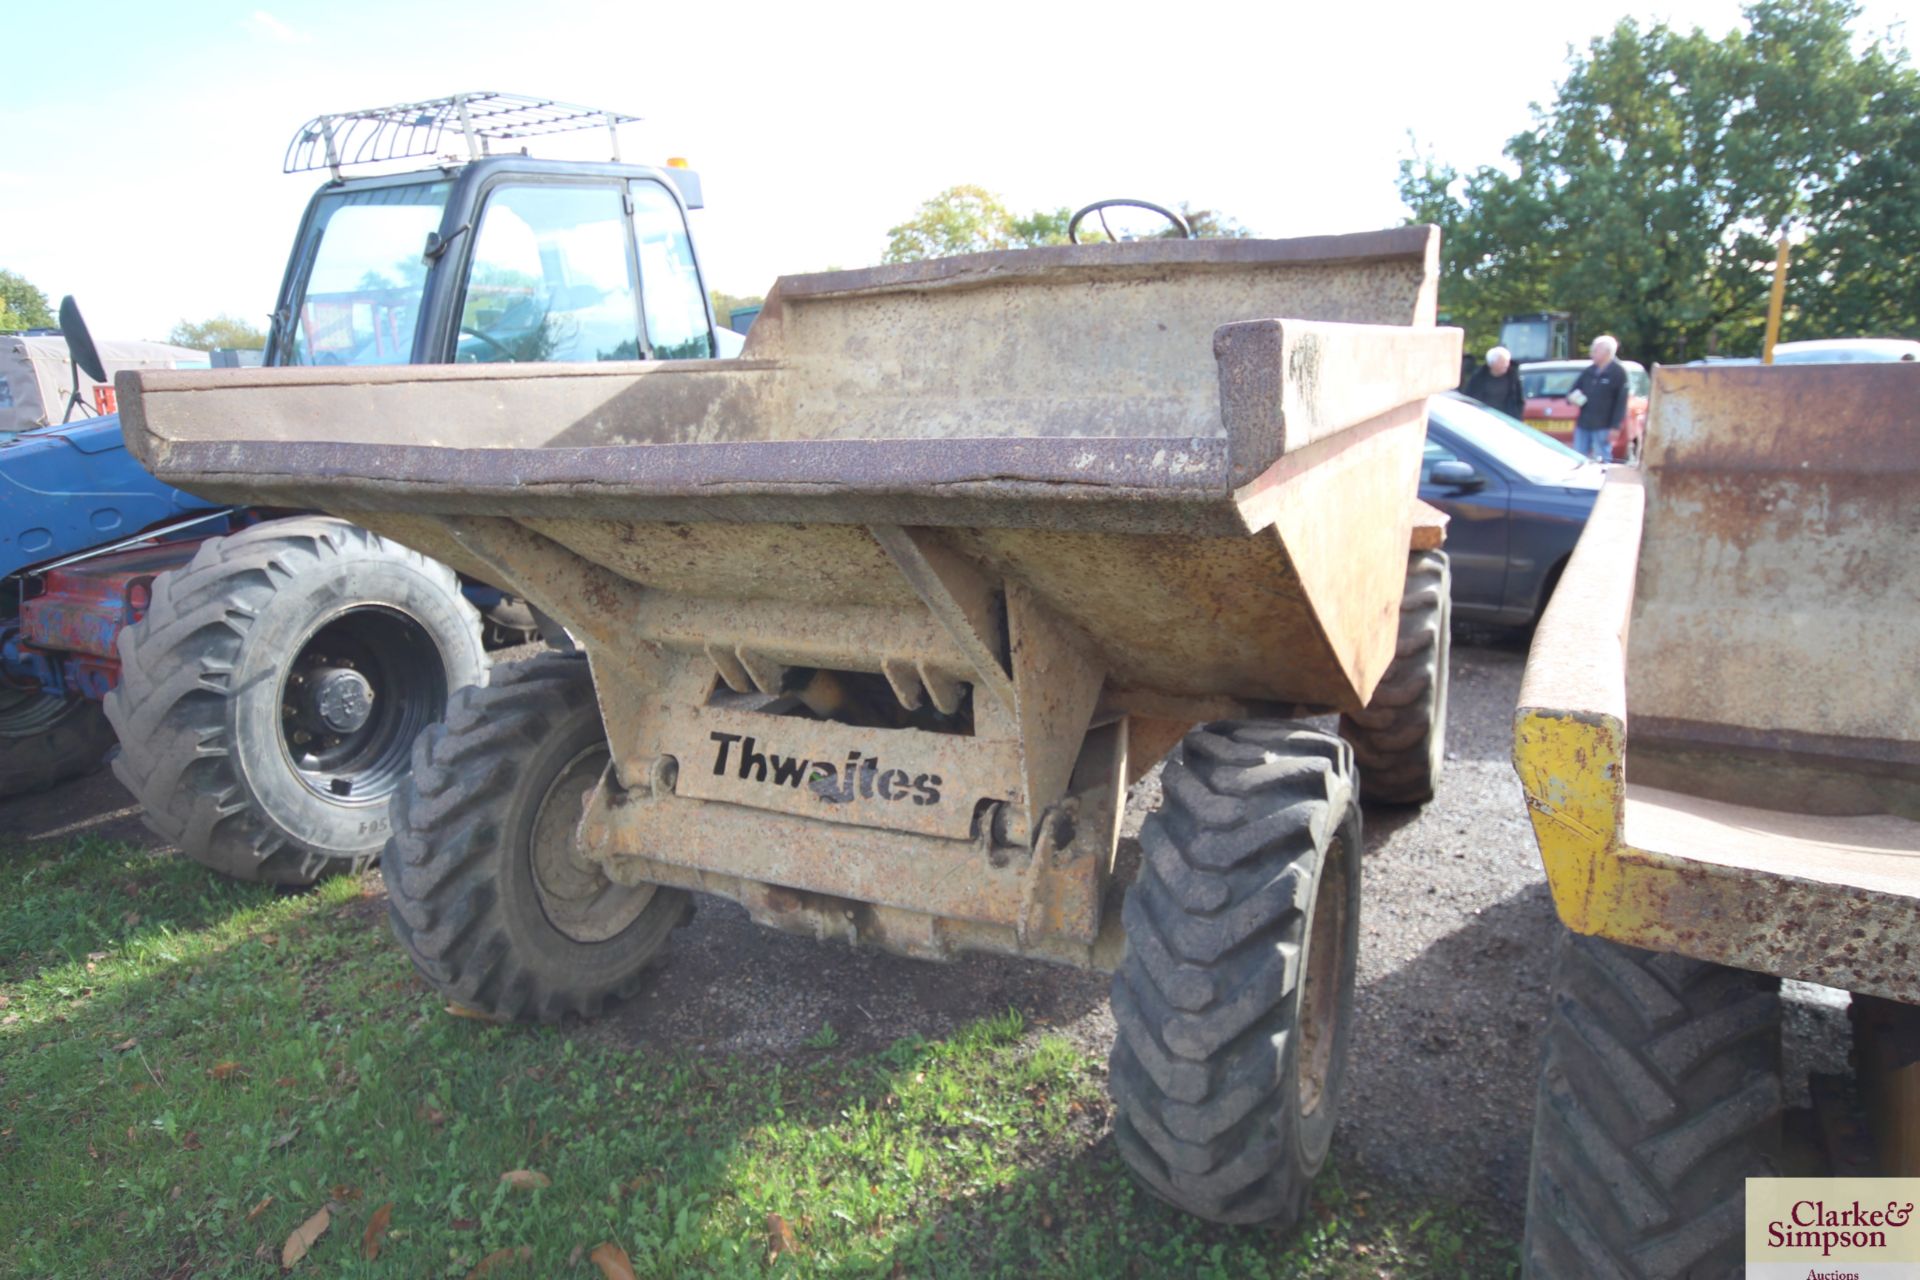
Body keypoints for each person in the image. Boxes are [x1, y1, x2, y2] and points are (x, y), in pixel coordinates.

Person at [1570, 335, 1629, 460]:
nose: (1592, 354)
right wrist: (1574, 398)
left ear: (1607, 352)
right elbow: (1573, 390)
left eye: (1595, 350)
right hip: (1584, 423)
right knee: (1578, 457)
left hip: (1604, 425)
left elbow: (1621, 402)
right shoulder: (1589, 371)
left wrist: (1615, 427)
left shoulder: (1618, 373)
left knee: (1603, 458)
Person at [1464, 345, 1526, 419]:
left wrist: (1517, 417)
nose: (1506, 365)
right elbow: (1469, 398)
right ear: (1492, 363)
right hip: (1483, 418)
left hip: (1506, 420)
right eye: (1502, 362)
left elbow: (1519, 401)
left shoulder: (1513, 378)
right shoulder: (1478, 377)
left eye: (1507, 362)